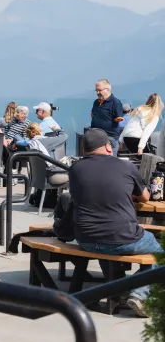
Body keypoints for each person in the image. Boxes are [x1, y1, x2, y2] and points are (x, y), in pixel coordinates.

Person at [69, 129, 162, 317]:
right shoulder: (126, 167)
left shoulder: (75, 169)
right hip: (121, 237)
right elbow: (144, 196)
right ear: (107, 146)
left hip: (85, 238)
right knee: (158, 250)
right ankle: (140, 294)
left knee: (108, 245)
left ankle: (120, 290)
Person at [90, 79, 124, 156]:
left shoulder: (115, 102)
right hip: (96, 138)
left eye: (99, 90)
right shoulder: (96, 102)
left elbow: (118, 119)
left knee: (110, 164)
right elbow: (92, 114)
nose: (97, 93)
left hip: (109, 139)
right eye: (96, 90)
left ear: (108, 89)